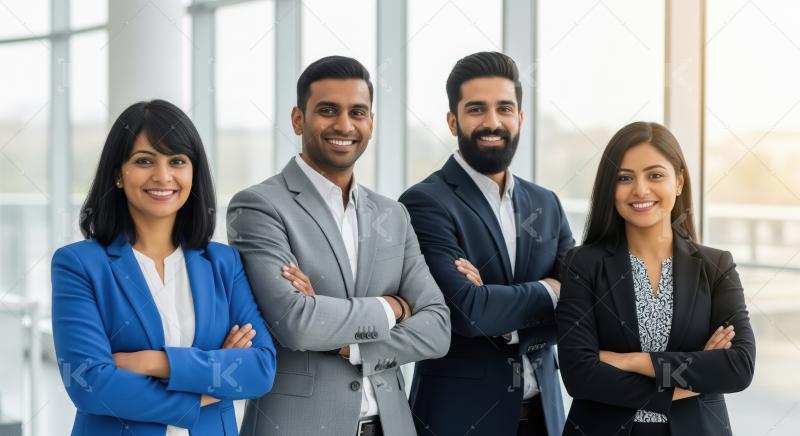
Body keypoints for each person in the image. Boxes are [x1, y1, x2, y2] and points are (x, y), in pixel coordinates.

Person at [229, 55, 451, 436]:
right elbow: (296, 323)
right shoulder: (259, 206)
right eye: (328, 110)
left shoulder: (392, 214)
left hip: (392, 425)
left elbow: (437, 328)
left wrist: (348, 343)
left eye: (358, 112)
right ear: (298, 119)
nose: (344, 125)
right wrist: (393, 307)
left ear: (371, 122)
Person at [51, 100, 277, 436]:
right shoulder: (79, 265)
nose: (163, 176)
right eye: (144, 161)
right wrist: (211, 383)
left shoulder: (223, 263)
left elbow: (260, 368)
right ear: (117, 174)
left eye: (177, 161)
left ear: (192, 173)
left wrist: (154, 363)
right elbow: (90, 384)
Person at [400, 51, 573, 436]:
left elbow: (583, 310)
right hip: (459, 421)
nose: (492, 122)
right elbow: (466, 313)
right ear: (452, 120)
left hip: (546, 418)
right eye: (476, 109)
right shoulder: (424, 203)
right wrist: (549, 289)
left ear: (520, 119)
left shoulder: (546, 203)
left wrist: (500, 309)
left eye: (504, 109)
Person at [556, 121, 756, 436]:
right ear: (611, 187)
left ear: (678, 182)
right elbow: (579, 374)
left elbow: (738, 367)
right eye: (625, 178)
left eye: (655, 175)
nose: (640, 190)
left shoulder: (716, 265)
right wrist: (690, 379)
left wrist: (633, 361)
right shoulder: (582, 264)